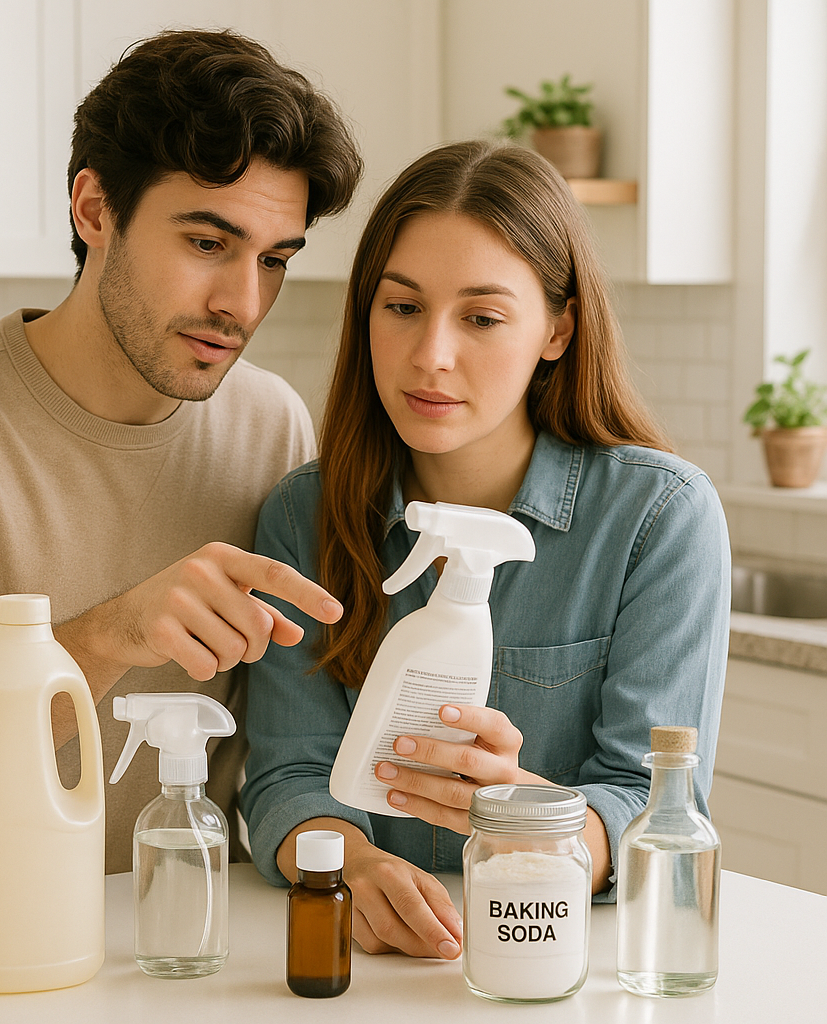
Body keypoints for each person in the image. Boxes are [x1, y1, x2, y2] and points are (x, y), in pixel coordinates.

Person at [0, 29, 361, 910]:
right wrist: (110, 638)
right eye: (206, 243)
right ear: (95, 210)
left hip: (173, 939)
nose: (243, 303)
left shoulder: (270, 425)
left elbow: (291, 743)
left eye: (275, 260)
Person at [239, 139, 730, 960]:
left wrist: (527, 815)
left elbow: (655, 805)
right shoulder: (306, 514)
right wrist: (351, 865)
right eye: (401, 307)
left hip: (563, 961)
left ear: (558, 329)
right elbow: (289, 774)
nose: (431, 354)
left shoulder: (658, 519)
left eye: (482, 317)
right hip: (365, 966)